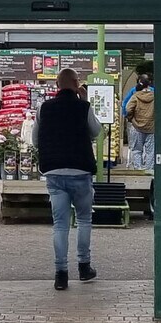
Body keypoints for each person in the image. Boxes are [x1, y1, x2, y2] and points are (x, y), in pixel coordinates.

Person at [34, 68, 100, 289]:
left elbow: (35, 140)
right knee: (83, 220)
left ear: (57, 85)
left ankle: (61, 275)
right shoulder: (84, 107)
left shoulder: (44, 108)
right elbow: (96, 131)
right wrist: (85, 100)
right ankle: (84, 267)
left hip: (53, 173)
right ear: (75, 83)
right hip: (81, 172)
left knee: (60, 226)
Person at [123, 70, 155, 172]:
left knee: (137, 149)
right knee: (151, 150)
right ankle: (149, 170)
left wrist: (131, 118)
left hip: (137, 127)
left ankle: (138, 169)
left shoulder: (135, 95)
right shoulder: (155, 95)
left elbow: (127, 108)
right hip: (151, 127)